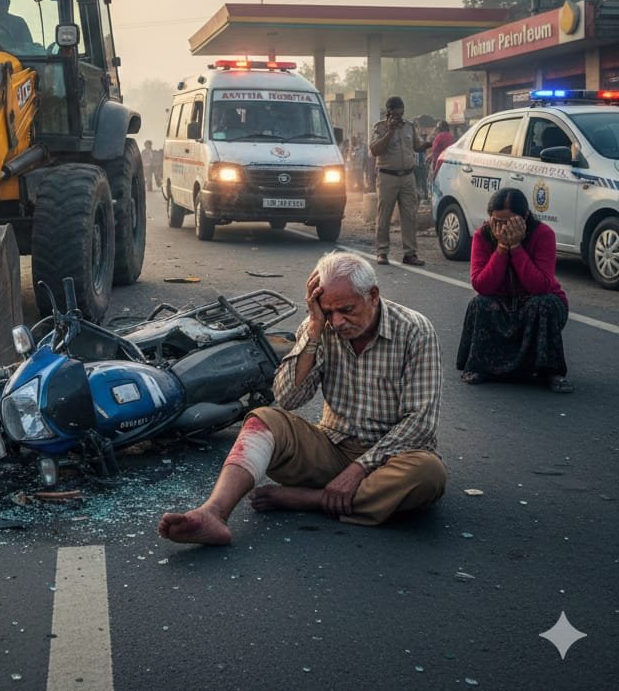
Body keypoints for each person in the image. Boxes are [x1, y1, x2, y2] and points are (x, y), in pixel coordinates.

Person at [158, 251, 446, 545]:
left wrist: (360, 468)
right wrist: (314, 331)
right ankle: (213, 512)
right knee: (264, 421)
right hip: (333, 447)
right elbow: (288, 398)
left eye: (346, 310)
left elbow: (420, 423)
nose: (338, 321)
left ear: (373, 295)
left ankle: (315, 499)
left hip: (392, 459)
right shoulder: (321, 328)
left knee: (428, 473)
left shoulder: (414, 330)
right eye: (328, 311)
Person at [456, 187, 573, 393]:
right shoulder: (482, 236)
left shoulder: (543, 234)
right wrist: (501, 248)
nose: (502, 228)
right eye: (497, 222)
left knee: (543, 303)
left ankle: (551, 372)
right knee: (479, 303)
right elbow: (482, 285)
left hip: (536, 302)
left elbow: (540, 286)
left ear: (524, 217)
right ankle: (479, 366)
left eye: (509, 222)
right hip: (502, 303)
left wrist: (517, 248)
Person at [369, 96, 428, 266]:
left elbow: (416, 146)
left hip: (408, 177)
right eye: (395, 113)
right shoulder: (380, 128)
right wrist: (390, 132)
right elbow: (374, 150)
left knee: (409, 216)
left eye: (401, 113)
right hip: (388, 177)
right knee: (384, 216)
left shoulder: (409, 126)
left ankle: (410, 254)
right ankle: (382, 252)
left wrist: (427, 144)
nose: (399, 117)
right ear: (388, 112)